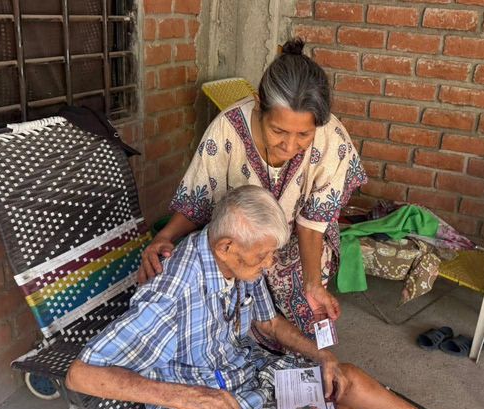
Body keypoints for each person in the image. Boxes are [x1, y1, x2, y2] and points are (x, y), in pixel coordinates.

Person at [67, 186, 484, 409]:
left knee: (349, 381)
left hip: (247, 374)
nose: (266, 270)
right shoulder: (171, 293)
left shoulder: (238, 260)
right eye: (260, 260)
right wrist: (183, 397)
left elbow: (268, 325)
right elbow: (81, 372)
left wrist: (322, 356)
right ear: (226, 247)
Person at [137, 38, 367, 343]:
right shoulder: (226, 129)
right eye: (278, 131)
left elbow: (312, 224)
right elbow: (199, 202)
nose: (289, 146)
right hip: (243, 237)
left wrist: (313, 284)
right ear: (259, 103)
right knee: (201, 295)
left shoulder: (331, 140)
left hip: (301, 241)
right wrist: (164, 238)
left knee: (299, 320)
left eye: (304, 135)